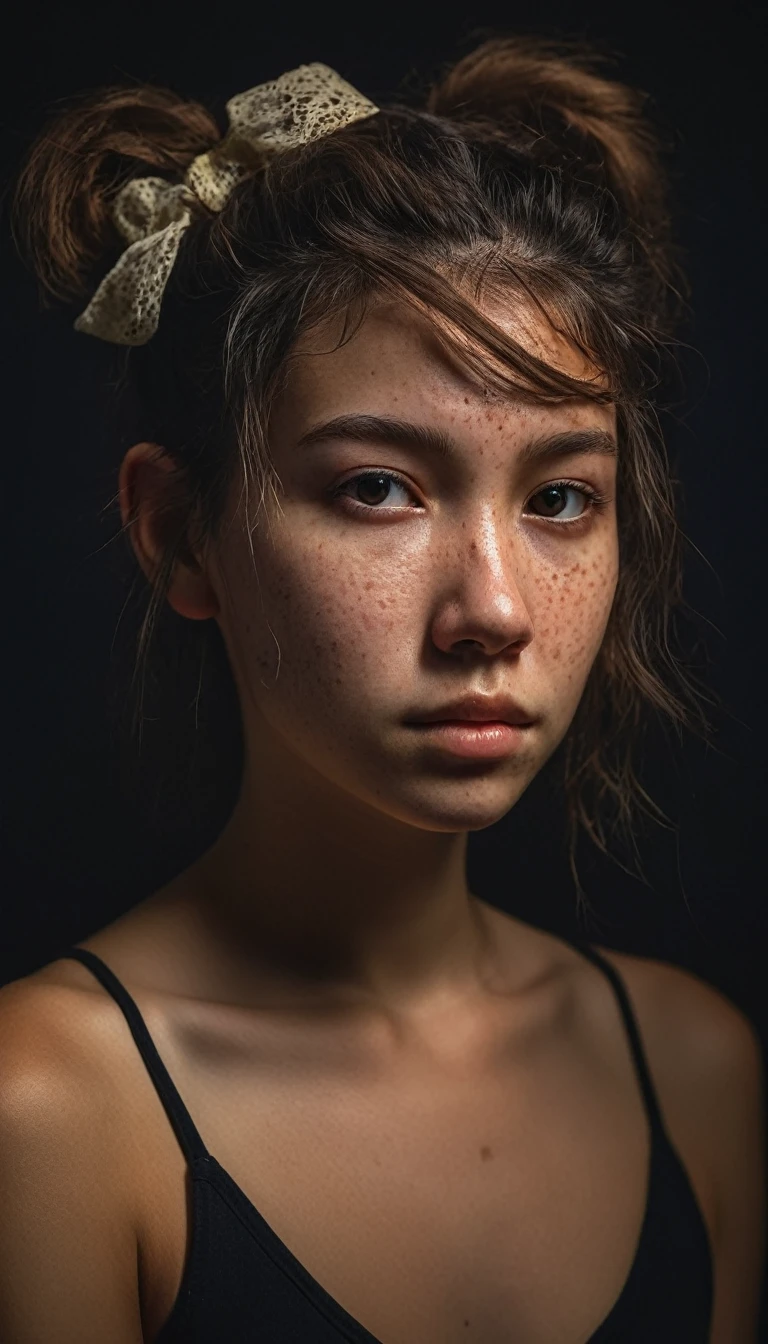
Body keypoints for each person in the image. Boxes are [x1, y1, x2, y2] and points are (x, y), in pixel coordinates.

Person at [1, 40, 764, 1344]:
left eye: (562, 498)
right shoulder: (52, 1111)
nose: (496, 611)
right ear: (179, 533)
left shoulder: (697, 1072)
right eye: (379, 489)